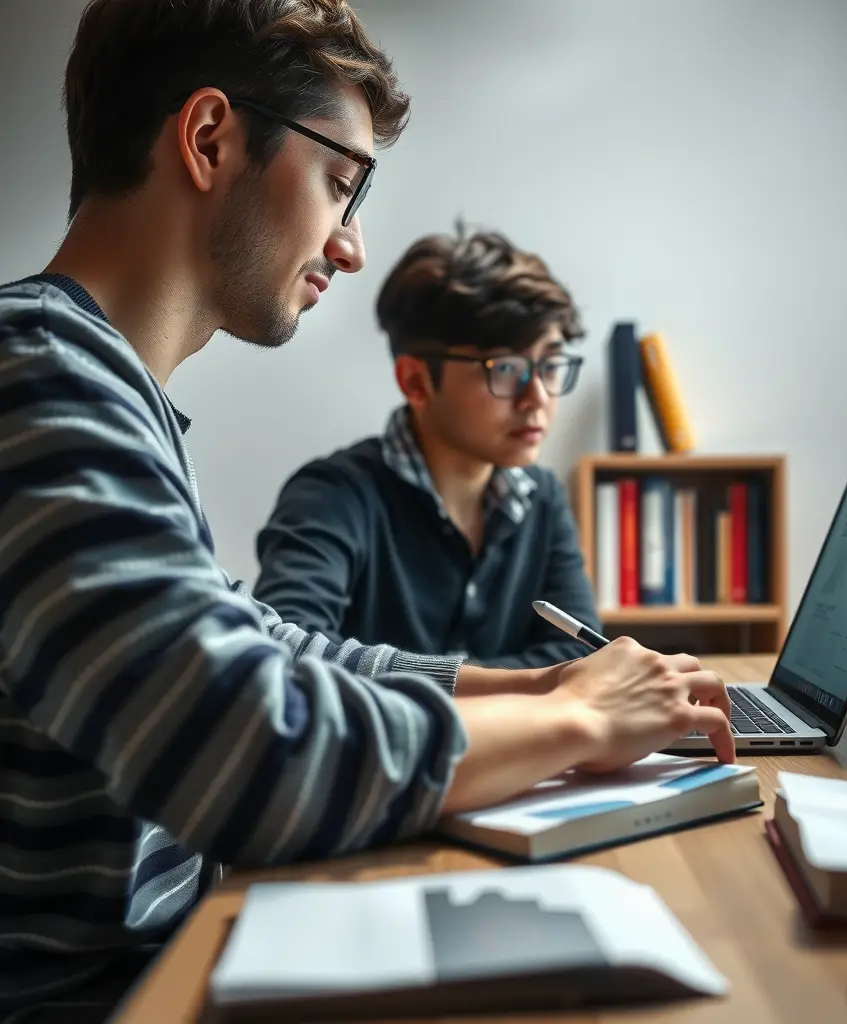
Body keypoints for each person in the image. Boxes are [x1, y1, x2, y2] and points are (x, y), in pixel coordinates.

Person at [0, 0, 733, 1018]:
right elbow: (242, 746)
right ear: (210, 138)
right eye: (341, 183)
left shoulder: (103, 389)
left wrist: (547, 686)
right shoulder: (39, 377)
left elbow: (263, 648)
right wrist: (574, 717)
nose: (349, 247)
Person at [253, 225, 603, 671]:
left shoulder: (543, 497)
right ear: (416, 382)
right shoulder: (333, 495)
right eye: (506, 368)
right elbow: (286, 656)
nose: (538, 397)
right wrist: (506, 684)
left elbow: (578, 655)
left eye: (550, 365)